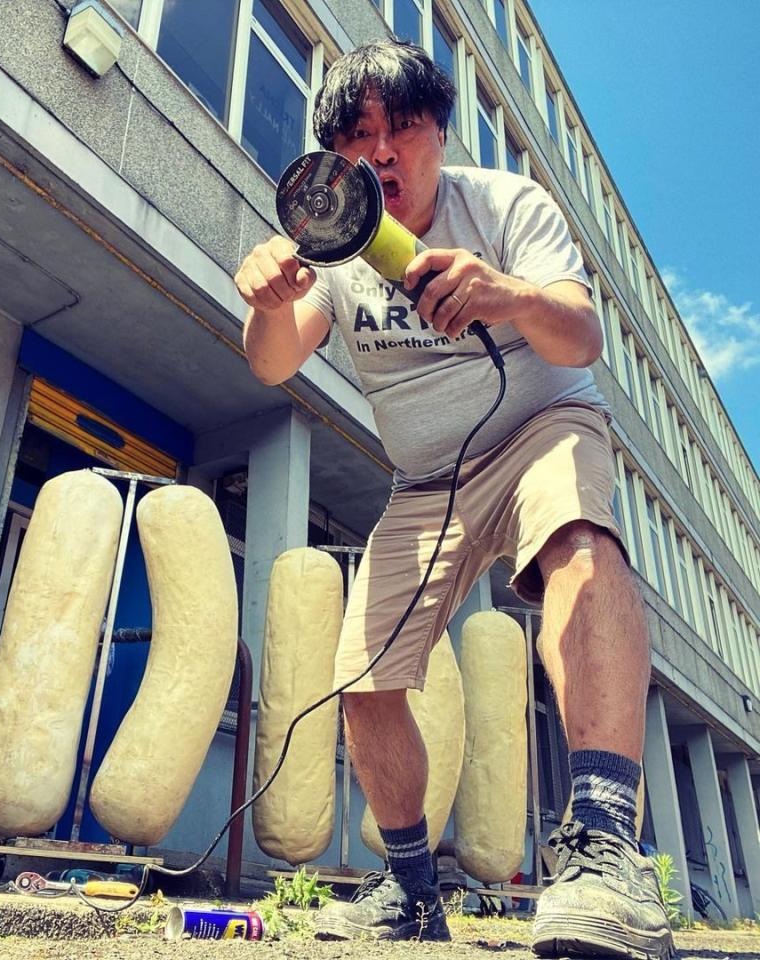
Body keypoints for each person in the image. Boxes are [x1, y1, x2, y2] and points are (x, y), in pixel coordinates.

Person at [234, 38, 672, 959]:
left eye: (403, 128)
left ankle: (601, 855)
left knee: (579, 541)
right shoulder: (338, 249)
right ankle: (409, 889)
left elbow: (583, 336)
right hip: (426, 482)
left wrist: (506, 293)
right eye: (358, 134)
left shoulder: (507, 204)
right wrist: (270, 300)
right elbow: (274, 361)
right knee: (362, 678)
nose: (383, 151)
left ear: (439, 132)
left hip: (541, 428)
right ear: (336, 156)